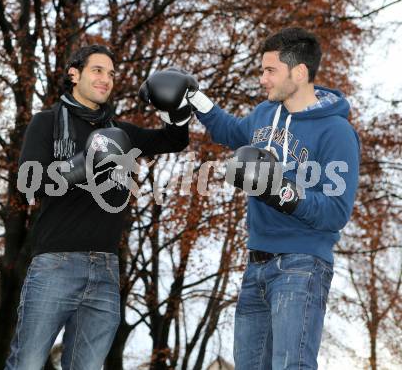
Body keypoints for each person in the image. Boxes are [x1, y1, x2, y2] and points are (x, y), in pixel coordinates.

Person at [146, 28, 360, 369]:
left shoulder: (337, 133)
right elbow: (231, 131)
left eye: (269, 70)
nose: (262, 79)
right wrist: (196, 98)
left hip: (302, 265)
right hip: (255, 266)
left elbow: (336, 212)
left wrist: (281, 191)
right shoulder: (264, 114)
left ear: (299, 72)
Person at [6, 45, 193, 370]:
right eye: (97, 70)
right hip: (55, 263)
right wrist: (83, 165)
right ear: (74, 74)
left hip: (106, 269)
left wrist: (175, 108)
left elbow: (173, 141)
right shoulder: (46, 123)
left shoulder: (120, 134)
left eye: (110, 73)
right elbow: (28, 186)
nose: (106, 79)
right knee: (27, 364)